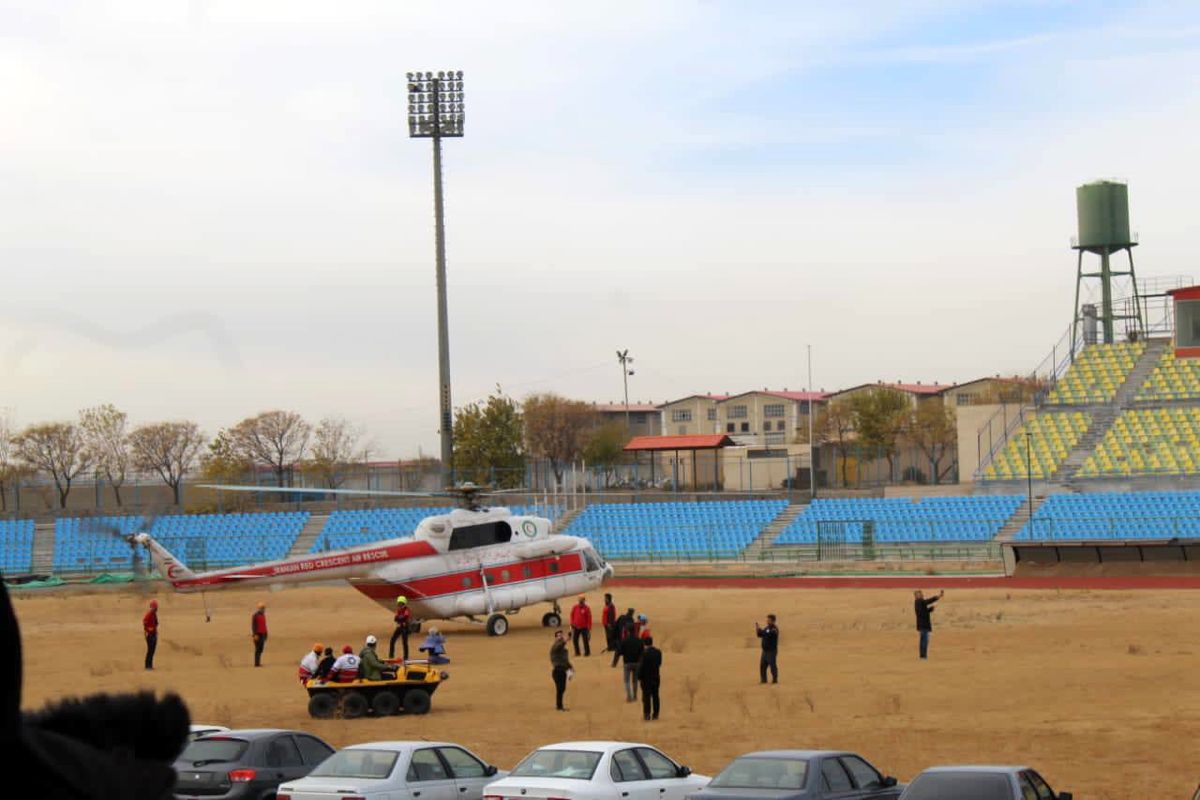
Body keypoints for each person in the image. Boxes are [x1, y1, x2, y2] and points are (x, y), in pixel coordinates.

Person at [914, 589, 944, 659]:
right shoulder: (920, 601)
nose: (922, 595)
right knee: (924, 641)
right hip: (924, 624)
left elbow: (924, 611)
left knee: (922, 641)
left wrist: (931, 608)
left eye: (921, 593)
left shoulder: (918, 602)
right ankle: (924, 656)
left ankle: (922, 655)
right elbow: (929, 601)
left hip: (921, 624)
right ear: (916, 596)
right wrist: (938, 597)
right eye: (920, 594)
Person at [617, 626, 645, 702]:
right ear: (635, 631)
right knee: (635, 681)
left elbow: (620, 652)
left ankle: (629, 697)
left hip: (627, 663)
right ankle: (635, 696)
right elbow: (642, 653)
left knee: (626, 681)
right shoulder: (639, 641)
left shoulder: (625, 641)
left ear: (628, 632)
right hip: (637, 663)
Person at [638, 636, 662, 720]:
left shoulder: (644, 654)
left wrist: (639, 677)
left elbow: (641, 667)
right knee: (656, 696)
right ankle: (656, 713)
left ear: (645, 644)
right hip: (656, 676)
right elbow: (659, 663)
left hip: (646, 678)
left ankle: (647, 714)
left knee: (646, 697)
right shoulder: (658, 652)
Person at [550, 629, 573, 711]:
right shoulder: (555, 646)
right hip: (557, 671)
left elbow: (565, 660)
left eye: (561, 635)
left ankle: (559, 705)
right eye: (558, 636)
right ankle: (559, 706)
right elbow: (559, 646)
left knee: (562, 689)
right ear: (555, 638)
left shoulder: (563, 650)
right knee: (560, 689)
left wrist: (571, 668)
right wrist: (566, 640)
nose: (560, 637)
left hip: (563, 671)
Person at [756, 614, 779, 684]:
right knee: (762, 666)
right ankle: (763, 680)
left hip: (771, 651)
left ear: (773, 621)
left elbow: (768, 634)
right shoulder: (767, 628)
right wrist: (758, 630)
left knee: (772, 666)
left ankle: (775, 680)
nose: (767, 621)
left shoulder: (774, 629)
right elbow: (761, 635)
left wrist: (761, 631)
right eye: (767, 620)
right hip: (765, 651)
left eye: (769, 620)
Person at [390, 596, 412, 660]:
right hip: (400, 626)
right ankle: (391, 655)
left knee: (404, 642)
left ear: (404, 604)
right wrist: (400, 619)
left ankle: (406, 657)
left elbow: (404, 617)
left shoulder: (406, 610)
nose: (399, 605)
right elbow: (396, 618)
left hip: (405, 628)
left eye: (401, 603)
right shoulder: (399, 610)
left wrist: (400, 619)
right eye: (399, 603)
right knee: (392, 640)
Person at [142, 600, 158, 671]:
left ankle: (150, 665)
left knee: (152, 651)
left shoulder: (154, 615)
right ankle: (147, 666)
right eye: (154, 608)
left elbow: (156, 623)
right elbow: (144, 622)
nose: (155, 609)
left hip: (154, 634)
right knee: (150, 650)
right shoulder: (148, 614)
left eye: (156, 608)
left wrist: (155, 630)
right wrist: (149, 629)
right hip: (149, 635)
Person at [250, 602, 268, 667]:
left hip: (262, 634)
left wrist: (266, 634)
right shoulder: (255, 615)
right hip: (257, 634)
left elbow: (264, 625)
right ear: (259, 609)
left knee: (261, 649)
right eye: (262, 608)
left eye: (264, 608)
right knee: (258, 649)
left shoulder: (263, 615)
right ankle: (257, 663)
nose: (263, 609)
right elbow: (253, 626)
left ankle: (258, 662)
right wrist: (254, 634)